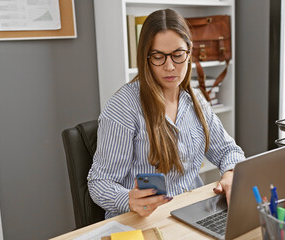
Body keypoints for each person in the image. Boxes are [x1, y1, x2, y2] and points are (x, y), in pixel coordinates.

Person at [87, 8, 245, 219]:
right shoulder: (124, 106)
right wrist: (128, 200)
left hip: (190, 212)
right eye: (159, 57)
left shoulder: (195, 100)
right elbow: (100, 183)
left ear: (189, 52)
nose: (170, 66)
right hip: (142, 220)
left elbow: (228, 150)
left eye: (178, 55)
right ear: (146, 58)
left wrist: (230, 174)